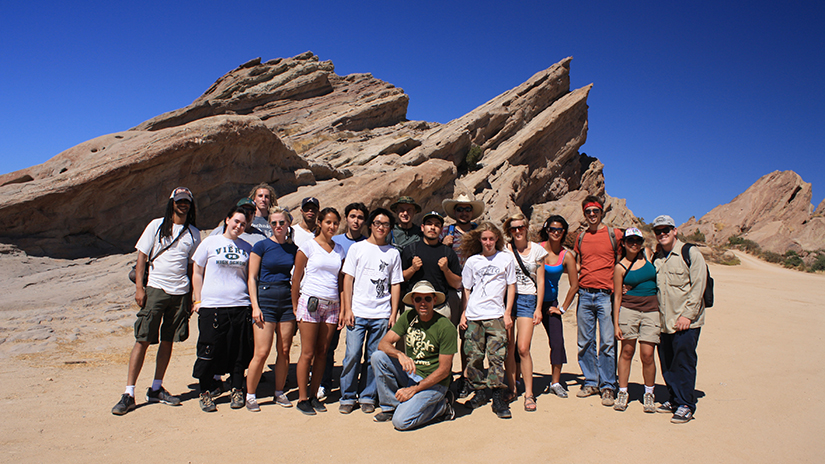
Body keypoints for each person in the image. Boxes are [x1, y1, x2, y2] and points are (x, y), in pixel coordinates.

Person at [112, 187, 200, 415]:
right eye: (179, 201)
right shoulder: (156, 225)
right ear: (172, 202)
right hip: (156, 289)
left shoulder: (194, 233)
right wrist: (140, 288)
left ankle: (156, 388)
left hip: (180, 292)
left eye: (187, 202)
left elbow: (193, 267)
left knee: (168, 340)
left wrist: (192, 297)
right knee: (142, 338)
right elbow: (141, 256)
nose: (183, 205)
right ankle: (128, 393)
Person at [339, 208, 403, 414]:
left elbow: (395, 284)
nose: (381, 227)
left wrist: (393, 314)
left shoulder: (393, 253)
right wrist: (347, 308)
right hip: (358, 311)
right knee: (352, 354)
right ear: (371, 225)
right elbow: (348, 279)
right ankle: (347, 396)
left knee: (374, 356)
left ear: (390, 228)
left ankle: (367, 395)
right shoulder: (357, 249)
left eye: (385, 224)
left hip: (382, 314)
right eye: (377, 223)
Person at [191, 205, 254, 413]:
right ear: (227, 220)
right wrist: (198, 300)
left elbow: (249, 277)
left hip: (240, 304)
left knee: (238, 350)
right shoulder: (210, 242)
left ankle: (237, 388)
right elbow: (197, 271)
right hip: (213, 306)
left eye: (243, 224)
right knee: (209, 349)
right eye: (236, 221)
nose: (239, 226)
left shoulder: (246, 247)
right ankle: (206, 391)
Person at [371, 281, 457, 430]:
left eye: (427, 299)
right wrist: (400, 355)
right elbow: (383, 343)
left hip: (434, 383)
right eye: (418, 299)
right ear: (413, 301)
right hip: (412, 374)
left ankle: (443, 406)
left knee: (401, 422)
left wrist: (414, 389)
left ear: (434, 300)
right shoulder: (408, 316)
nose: (423, 303)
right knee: (378, 357)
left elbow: (444, 370)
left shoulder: (445, 327)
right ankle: (390, 406)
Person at [651, 215, 707, 424]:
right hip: (664, 321)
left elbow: (698, 286)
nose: (662, 234)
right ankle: (674, 399)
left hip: (685, 321)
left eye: (666, 229)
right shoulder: (657, 258)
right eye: (658, 231)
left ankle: (686, 404)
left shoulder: (690, 253)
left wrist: (687, 315)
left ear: (675, 231)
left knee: (683, 361)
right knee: (667, 361)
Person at [459, 222, 516, 419]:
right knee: (473, 356)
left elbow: (511, 286)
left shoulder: (505, 259)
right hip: (475, 315)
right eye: (484, 239)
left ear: (497, 239)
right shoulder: (472, 261)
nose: (488, 242)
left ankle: (498, 396)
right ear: (479, 240)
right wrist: (464, 312)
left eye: (491, 238)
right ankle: (480, 392)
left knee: (496, 356)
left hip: (496, 315)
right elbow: (466, 288)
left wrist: (507, 313)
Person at [292, 207, 345, 415]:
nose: (332, 226)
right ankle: (302, 397)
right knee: (307, 352)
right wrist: (296, 305)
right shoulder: (308, 247)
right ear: (320, 223)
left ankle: (314, 395)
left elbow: (340, 281)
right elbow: (296, 278)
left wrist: (341, 307)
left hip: (332, 304)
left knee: (323, 352)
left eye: (335, 223)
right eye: (328, 222)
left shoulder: (339, 249)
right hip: (310, 303)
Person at [244, 207, 298, 412]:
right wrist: (255, 306)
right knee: (262, 351)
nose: (277, 226)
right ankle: (250, 394)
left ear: (288, 225)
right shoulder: (261, 246)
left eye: (281, 223)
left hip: (286, 301)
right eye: (273, 223)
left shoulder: (294, 249)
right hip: (265, 300)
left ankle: (279, 392)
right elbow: (252, 277)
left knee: (284, 350)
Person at [319, 202, 369, 401]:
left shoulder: (368, 243)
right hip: (334, 298)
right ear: (346, 218)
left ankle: (357, 386)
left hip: (359, 300)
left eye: (360, 217)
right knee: (328, 345)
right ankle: (324, 383)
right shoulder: (336, 241)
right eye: (352, 216)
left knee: (355, 347)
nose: (356, 221)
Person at [573, 195, 619, 405]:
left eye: (595, 211)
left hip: (605, 295)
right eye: (588, 212)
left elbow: (628, 257)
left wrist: (625, 285)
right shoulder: (581, 237)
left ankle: (608, 385)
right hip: (584, 294)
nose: (592, 215)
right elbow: (577, 263)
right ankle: (591, 381)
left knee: (607, 342)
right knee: (585, 341)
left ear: (602, 212)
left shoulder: (613, 234)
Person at [440, 192, 484, 398]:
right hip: (451, 288)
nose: (464, 212)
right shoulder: (445, 233)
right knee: (447, 333)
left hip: (475, 291)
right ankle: (444, 376)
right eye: (460, 209)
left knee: (469, 337)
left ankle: (468, 378)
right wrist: (444, 245)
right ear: (455, 212)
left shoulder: (480, 232)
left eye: (468, 209)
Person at [502, 213, 547, 411]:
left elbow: (541, 280)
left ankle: (529, 393)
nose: (518, 231)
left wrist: (538, 307)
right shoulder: (505, 249)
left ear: (526, 227)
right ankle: (512, 388)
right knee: (509, 347)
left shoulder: (537, 250)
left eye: (521, 227)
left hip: (528, 299)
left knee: (523, 348)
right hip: (508, 299)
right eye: (513, 228)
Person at [612, 227, 659, 413]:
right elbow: (617, 296)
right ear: (623, 243)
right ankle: (623, 392)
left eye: (637, 241)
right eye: (630, 241)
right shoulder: (620, 267)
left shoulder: (648, 255)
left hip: (651, 310)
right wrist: (616, 323)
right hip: (629, 310)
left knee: (647, 354)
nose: (634, 244)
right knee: (627, 351)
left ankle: (649, 393)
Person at [539, 215, 579, 399]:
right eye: (552, 229)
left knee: (557, 342)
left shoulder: (566, 256)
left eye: (559, 230)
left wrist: (562, 308)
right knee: (521, 343)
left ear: (564, 232)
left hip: (550, 303)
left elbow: (574, 285)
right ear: (546, 229)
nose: (555, 232)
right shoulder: (536, 249)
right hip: (531, 301)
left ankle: (555, 382)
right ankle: (515, 378)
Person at [400, 211, 462, 319]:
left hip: (439, 308)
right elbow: (400, 278)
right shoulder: (410, 249)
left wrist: (446, 270)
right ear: (422, 227)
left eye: (437, 225)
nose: (433, 227)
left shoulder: (448, 253)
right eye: (429, 224)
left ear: (441, 230)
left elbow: (457, 284)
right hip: (413, 308)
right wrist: (413, 268)